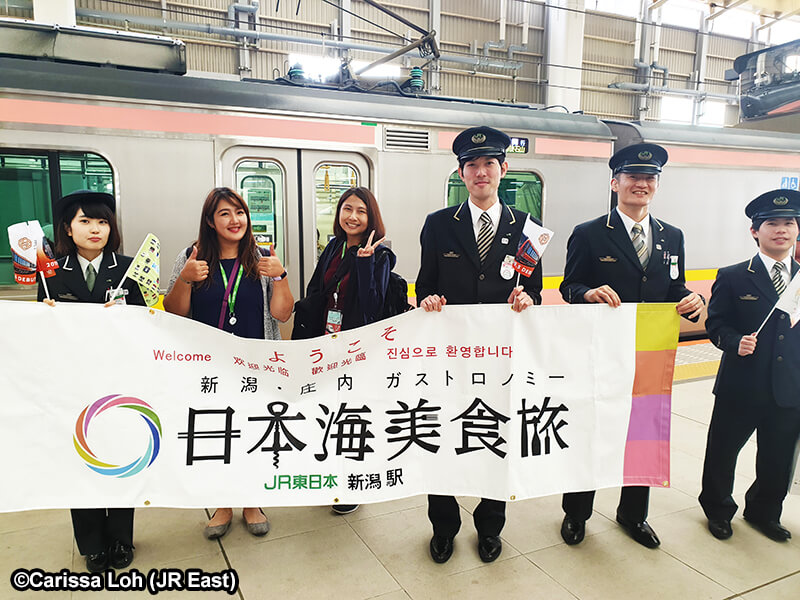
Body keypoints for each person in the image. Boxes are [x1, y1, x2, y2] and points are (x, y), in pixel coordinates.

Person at [558, 143, 704, 549]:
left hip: (649, 354)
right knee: (592, 429)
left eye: (649, 178)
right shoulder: (588, 233)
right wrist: (587, 293)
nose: (641, 183)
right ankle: (576, 513)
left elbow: (675, 288)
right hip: (600, 351)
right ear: (615, 182)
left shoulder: (672, 236)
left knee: (643, 431)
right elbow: (570, 286)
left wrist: (694, 301)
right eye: (633, 177)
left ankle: (633, 514)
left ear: (656, 186)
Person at [416, 126, 541, 564]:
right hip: (449, 358)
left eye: (490, 163)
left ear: (503, 169)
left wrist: (528, 298)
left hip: (502, 359)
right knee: (441, 437)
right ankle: (444, 526)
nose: (481, 171)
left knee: (495, 438)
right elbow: (424, 286)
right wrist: (427, 299)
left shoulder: (527, 229)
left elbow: (536, 292)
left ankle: (490, 528)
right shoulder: (438, 225)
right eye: (472, 165)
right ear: (461, 173)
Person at [163, 187, 293, 539]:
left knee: (252, 431)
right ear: (210, 220)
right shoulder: (191, 257)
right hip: (209, 368)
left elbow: (282, 314)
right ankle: (222, 504)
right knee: (214, 433)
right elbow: (174, 312)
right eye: (224, 214)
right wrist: (185, 279)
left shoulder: (263, 257)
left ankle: (252, 502)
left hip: (255, 366)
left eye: (240, 212)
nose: (235, 220)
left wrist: (281, 276)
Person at [38, 189, 145, 572]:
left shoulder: (130, 269)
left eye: (102, 221)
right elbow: (44, 336)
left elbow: (150, 322)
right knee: (79, 461)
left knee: (118, 459)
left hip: (119, 382)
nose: (95, 229)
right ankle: (92, 543)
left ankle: (120, 539)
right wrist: (46, 316)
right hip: (73, 382)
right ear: (69, 228)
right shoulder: (51, 275)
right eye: (85, 221)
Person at [699, 189, 800, 542]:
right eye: (772, 223)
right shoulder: (733, 275)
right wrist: (734, 342)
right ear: (755, 231)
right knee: (723, 451)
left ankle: (764, 512)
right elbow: (715, 324)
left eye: (789, 223)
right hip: (741, 384)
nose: (782, 230)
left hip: (789, 387)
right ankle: (718, 509)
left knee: (777, 457)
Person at [299, 186, 395, 515]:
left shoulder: (380, 255)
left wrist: (365, 264)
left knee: (352, 415)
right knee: (326, 410)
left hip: (356, 348)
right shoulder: (334, 247)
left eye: (361, 211)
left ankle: (352, 481)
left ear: (371, 218)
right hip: (326, 342)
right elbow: (316, 288)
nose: (352, 216)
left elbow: (371, 309)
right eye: (347, 209)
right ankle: (328, 474)